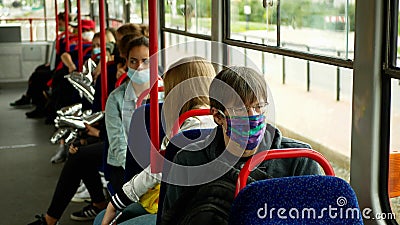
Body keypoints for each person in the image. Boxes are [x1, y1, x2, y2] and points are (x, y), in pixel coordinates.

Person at [160, 66, 322, 224]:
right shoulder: (189, 161)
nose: (253, 116)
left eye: (258, 107)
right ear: (217, 116)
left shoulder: (299, 159)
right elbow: (173, 218)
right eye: (240, 109)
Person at [95, 56, 217, 225]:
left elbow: (157, 171)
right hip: (201, 204)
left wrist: (118, 201)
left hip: (183, 210)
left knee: (103, 219)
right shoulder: (216, 120)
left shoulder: (188, 129)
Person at [27, 121, 108, 225]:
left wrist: (99, 134)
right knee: (78, 146)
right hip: (117, 137)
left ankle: (50, 220)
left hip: (125, 144)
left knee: (78, 156)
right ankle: (99, 204)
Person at [105, 36, 151, 193]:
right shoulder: (116, 99)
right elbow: (118, 142)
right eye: (133, 61)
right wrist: (139, 174)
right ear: (126, 62)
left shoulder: (164, 95)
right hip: (124, 165)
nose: (139, 67)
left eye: (145, 61)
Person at [9, 12, 73, 113]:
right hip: (57, 66)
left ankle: (38, 104)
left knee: (38, 76)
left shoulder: (69, 38)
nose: (57, 25)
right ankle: (30, 97)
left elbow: (63, 55)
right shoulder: (63, 37)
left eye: (59, 23)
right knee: (39, 69)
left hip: (60, 69)